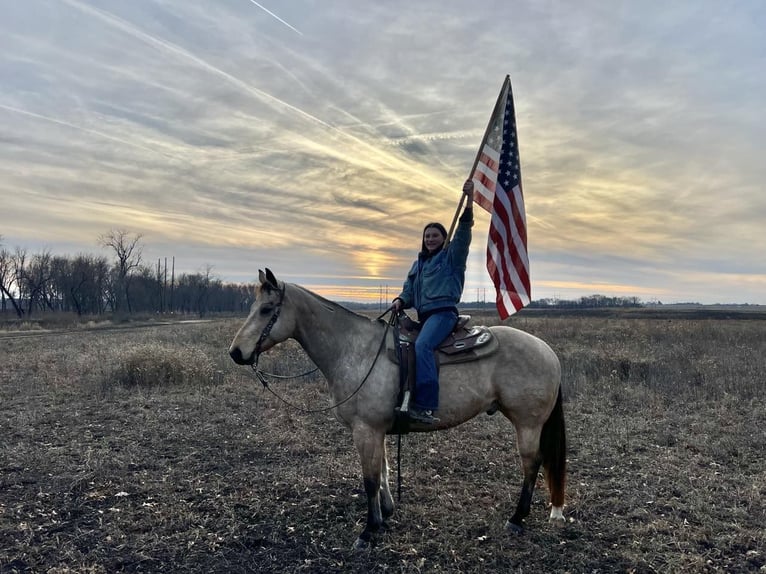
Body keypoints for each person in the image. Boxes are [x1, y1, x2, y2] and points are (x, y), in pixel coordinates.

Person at [392, 179, 474, 424]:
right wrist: (400, 300)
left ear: (443, 237)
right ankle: (401, 396)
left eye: (435, 235)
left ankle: (426, 406)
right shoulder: (419, 264)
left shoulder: (451, 257)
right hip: (425, 317)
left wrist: (469, 202)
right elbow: (408, 290)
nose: (430, 239)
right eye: (427, 235)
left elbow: (463, 235)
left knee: (423, 347)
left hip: (443, 314)